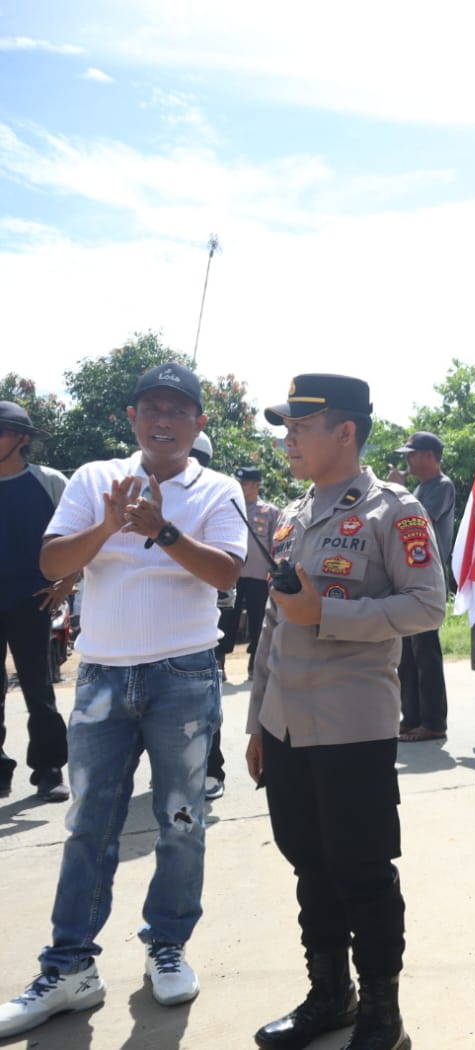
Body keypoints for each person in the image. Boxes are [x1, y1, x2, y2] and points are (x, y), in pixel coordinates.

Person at [0, 363, 246, 1039]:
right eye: (151, 409)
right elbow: (53, 564)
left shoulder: (218, 488)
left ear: (198, 423)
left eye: (178, 410)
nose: (164, 421)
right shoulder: (93, 479)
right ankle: (69, 966)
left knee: (181, 820)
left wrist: (164, 530)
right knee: (89, 824)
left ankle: (167, 945)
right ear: (132, 419)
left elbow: (227, 573)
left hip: (183, 676)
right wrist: (108, 525)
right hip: (104, 674)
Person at [244, 373, 445, 1050]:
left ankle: (383, 1015)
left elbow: (427, 605)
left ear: (346, 432)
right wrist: (257, 722)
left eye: (302, 426)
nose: (289, 440)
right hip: (286, 724)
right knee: (309, 864)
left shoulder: (394, 511)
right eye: (287, 428)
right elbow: (273, 624)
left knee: (362, 872)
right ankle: (330, 996)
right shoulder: (294, 514)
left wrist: (326, 614)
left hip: (351, 726)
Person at [0, 400, 71, 802]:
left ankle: (48, 767)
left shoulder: (49, 482)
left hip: (33, 600)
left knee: (38, 687)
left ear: (22, 439)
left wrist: (68, 581)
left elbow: (83, 534)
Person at [205, 466, 279, 801]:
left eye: (249, 481)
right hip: (234, 574)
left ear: (257, 484)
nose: (245, 486)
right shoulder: (229, 503)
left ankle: (252, 665)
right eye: (242, 481)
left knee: (262, 622)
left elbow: (276, 542)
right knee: (227, 622)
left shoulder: (269, 511)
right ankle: (220, 663)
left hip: (260, 574)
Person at [394, 430, 453, 742]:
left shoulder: (442, 486)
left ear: (430, 456)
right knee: (407, 653)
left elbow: (420, 520)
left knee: (425, 652)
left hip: (428, 579)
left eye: (412, 455)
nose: (408, 461)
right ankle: (412, 716)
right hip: (409, 576)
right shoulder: (421, 487)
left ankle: (433, 721)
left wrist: (399, 491)